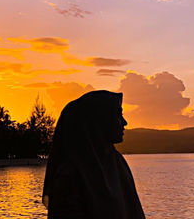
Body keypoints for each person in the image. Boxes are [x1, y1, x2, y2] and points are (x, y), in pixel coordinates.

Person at [42, 90, 145, 219]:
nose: (124, 122)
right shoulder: (70, 175)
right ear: (99, 120)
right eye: (118, 115)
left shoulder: (116, 162)